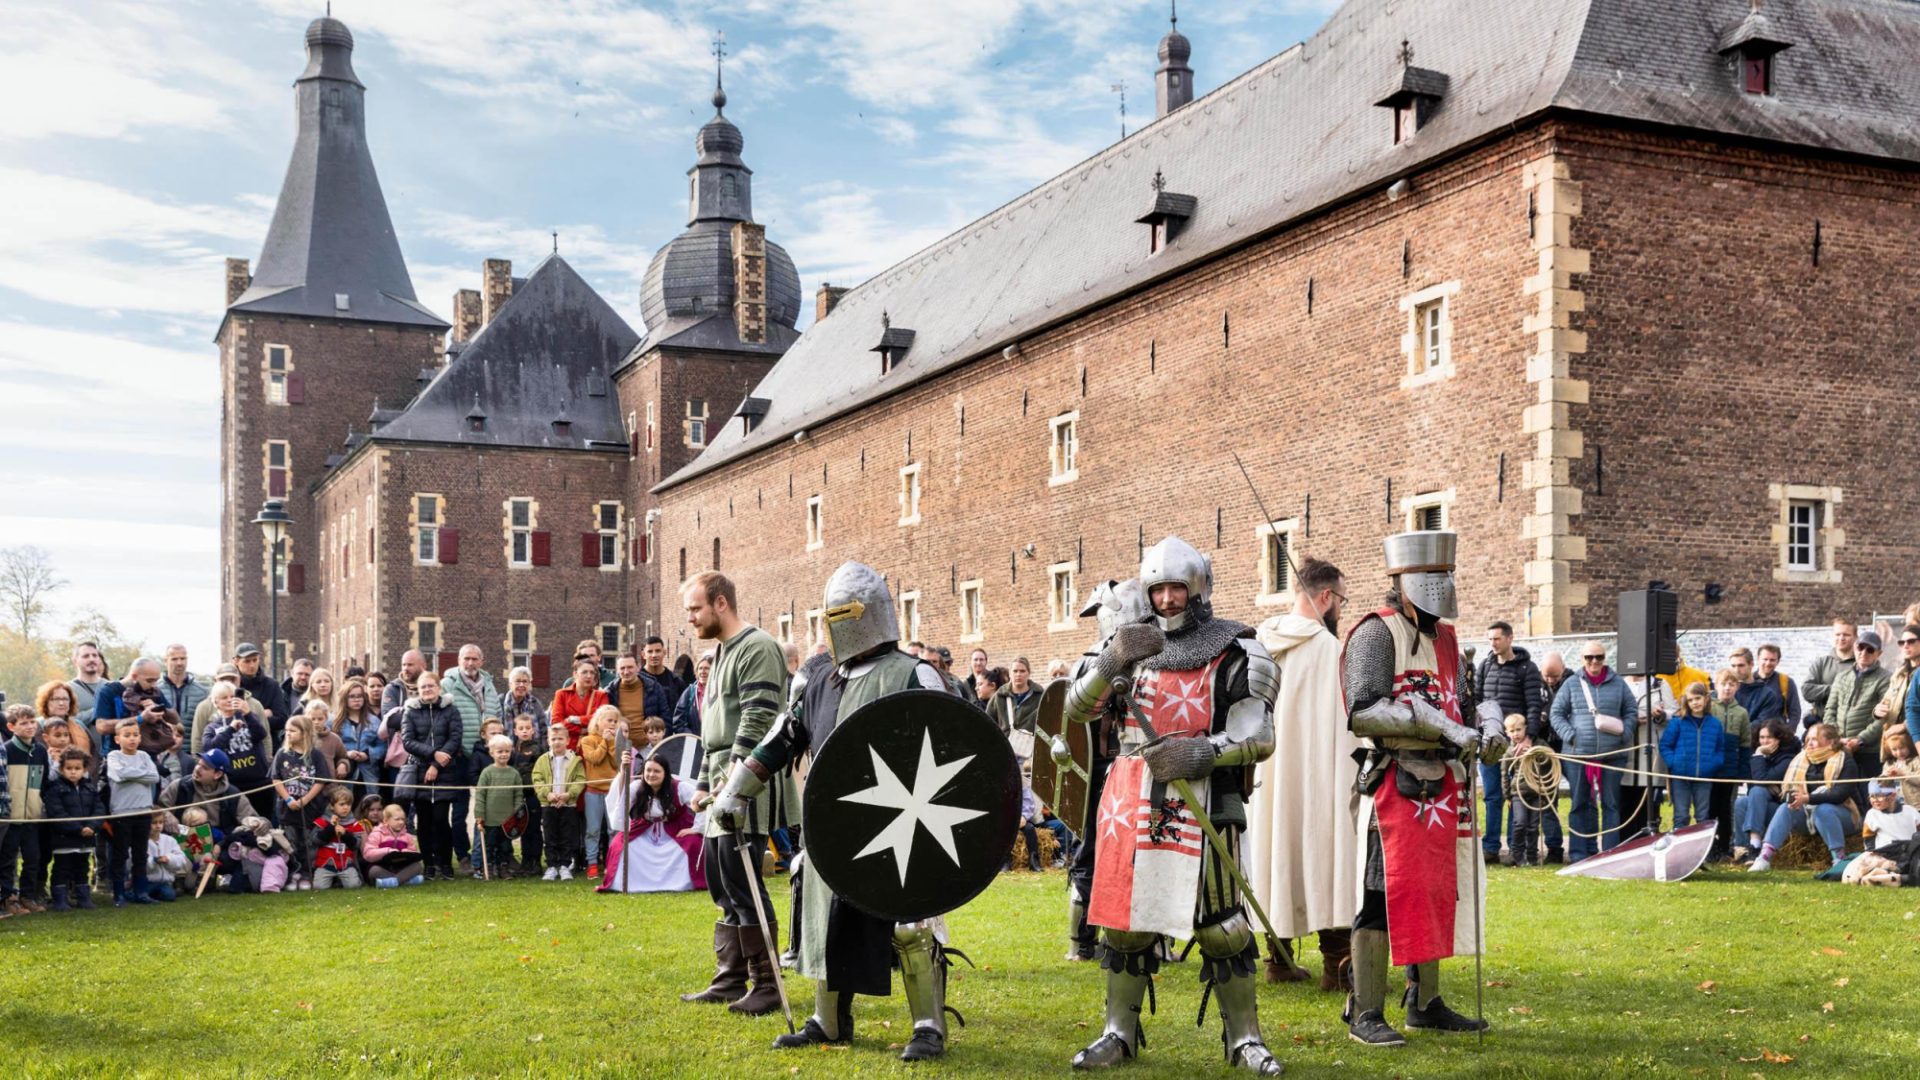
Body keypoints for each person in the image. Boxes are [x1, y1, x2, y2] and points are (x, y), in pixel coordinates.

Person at [708, 560, 961, 1059]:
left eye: (845, 612)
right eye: (831, 613)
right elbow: (782, 739)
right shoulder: (817, 679)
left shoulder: (915, 673)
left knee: (910, 923)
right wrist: (735, 791)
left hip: (901, 820)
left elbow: (953, 747)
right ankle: (827, 1020)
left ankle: (928, 1025)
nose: (837, 623)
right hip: (833, 823)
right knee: (822, 914)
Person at [1055, 537, 1285, 1071]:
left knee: (1222, 925)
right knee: (1124, 922)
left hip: (1203, 795)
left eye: (1175, 589)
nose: (1165, 601)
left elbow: (1259, 734)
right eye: (1156, 590)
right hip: (1132, 797)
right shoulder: (1128, 645)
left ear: (1196, 588)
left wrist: (1202, 750)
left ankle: (1244, 1038)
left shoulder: (1237, 649)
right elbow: (1074, 708)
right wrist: (1113, 656)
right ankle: (1118, 1031)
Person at [1341, 531, 1506, 1049]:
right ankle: (1365, 1012)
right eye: (1431, 578)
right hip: (1393, 780)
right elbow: (1362, 711)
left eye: (1445, 576)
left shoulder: (1449, 638)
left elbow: (1469, 701)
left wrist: (1493, 725)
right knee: (1381, 892)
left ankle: (1424, 1002)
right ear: (1404, 581)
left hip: (1446, 784)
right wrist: (1438, 726)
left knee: (1438, 888)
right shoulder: (1376, 633)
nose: (1441, 587)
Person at [679, 569, 791, 1017]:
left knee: (743, 881)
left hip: (750, 780)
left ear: (720, 603)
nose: (690, 618)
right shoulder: (722, 652)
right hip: (724, 775)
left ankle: (767, 983)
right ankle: (731, 978)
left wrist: (733, 780)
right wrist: (706, 781)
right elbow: (714, 732)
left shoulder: (758, 647)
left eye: (695, 608)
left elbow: (757, 718)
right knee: (722, 879)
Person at [1248, 557, 1358, 990]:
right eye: (1341, 601)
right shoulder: (1331, 650)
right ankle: (1337, 964)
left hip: (1267, 778)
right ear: (1326, 597)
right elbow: (1348, 727)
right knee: (1325, 855)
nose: (1342, 611)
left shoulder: (1258, 641)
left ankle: (1278, 959)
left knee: (1277, 851)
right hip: (1318, 777)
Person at [1550, 642, 1637, 859]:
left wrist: (1624, 734)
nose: (1594, 661)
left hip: (1612, 754)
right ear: (1582, 659)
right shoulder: (1571, 684)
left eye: (1598, 657)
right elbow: (1556, 714)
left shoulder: (1619, 684)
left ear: (1604, 657)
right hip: (1578, 755)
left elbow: (1631, 711)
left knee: (1611, 804)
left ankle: (1610, 853)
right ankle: (1579, 853)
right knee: (1579, 804)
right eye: (1589, 657)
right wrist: (1571, 736)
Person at [1474, 622, 1542, 865]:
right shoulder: (1485, 666)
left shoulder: (1527, 668)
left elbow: (1534, 704)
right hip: (1490, 741)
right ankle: (1490, 847)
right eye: (1490, 639)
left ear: (1509, 639)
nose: (1493, 643)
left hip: (1516, 744)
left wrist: (1528, 737)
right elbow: (1478, 701)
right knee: (1492, 796)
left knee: (1515, 796)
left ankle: (1516, 848)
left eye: (1497, 639)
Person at [1748, 723, 1858, 872]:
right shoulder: (1800, 760)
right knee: (1786, 808)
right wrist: (1791, 796)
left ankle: (1838, 859)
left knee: (1823, 810)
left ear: (1831, 742)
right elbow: (1791, 791)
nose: (1809, 743)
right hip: (1807, 815)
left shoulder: (1845, 760)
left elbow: (1840, 794)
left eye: (1815, 739)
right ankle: (1764, 857)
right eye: (1808, 739)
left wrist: (1807, 798)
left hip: (1843, 815)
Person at [602, 752, 705, 893]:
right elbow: (620, 801)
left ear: (665, 773)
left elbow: (702, 803)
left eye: (657, 771)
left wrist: (696, 828)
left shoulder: (679, 787)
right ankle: (623, 884)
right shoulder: (637, 787)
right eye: (648, 770)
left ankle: (686, 883)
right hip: (644, 827)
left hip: (675, 828)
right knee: (619, 843)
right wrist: (622, 772)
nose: (651, 774)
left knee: (694, 843)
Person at [397, 675, 463, 880]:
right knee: (424, 821)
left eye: (431, 686)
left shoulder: (451, 710)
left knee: (441, 819)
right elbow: (407, 740)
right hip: (419, 771)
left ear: (438, 687)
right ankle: (429, 864)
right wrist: (432, 754)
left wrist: (436, 763)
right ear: (418, 689)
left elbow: (455, 737)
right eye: (423, 686)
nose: (427, 689)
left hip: (444, 770)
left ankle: (445, 863)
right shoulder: (411, 710)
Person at [1828, 632, 1890, 816]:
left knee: (1873, 798)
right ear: (1855, 648)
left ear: (1879, 653)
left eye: (1870, 649)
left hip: (1869, 751)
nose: (1864, 652)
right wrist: (1836, 738)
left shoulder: (1886, 679)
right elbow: (1830, 710)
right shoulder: (1841, 677)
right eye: (1860, 647)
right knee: (1845, 797)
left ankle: (1873, 838)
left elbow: (1884, 719)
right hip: (1840, 749)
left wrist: (1859, 740)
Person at [103, 720, 160, 906]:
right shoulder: (113, 756)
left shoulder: (144, 756)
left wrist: (131, 773)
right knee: (120, 855)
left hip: (143, 811)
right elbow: (118, 775)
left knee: (140, 854)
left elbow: (154, 776)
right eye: (127, 735)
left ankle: (141, 892)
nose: (132, 739)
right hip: (121, 813)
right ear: (118, 738)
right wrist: (139, 774)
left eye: (135, 735)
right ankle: (119, 893)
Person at [271, 714, 330, 891]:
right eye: (287, 730)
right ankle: (292, 874)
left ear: (304, 733)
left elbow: (320, 781)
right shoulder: (282, 754)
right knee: (290, 843)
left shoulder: (316, 755)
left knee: (308, 843)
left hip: (310, 808)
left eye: (292, 730)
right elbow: (276, 778)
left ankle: (306, 874)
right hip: (287, 809)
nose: (288, 733)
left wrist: (304, 800)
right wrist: (289, 798)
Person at [1, 707, 48, 915]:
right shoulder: (7, 750)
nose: (30, 726)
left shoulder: (40, 751)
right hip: (11, 816)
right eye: (24, 723)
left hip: (32, 816)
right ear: (11, 727)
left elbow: (44, 782)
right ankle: (8, 897)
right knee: (7, 859)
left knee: (32, 858)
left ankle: (27, 895)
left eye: (32, 722)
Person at [1620, 673, 1677, 840]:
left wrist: (1661, 714)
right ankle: (1625, 844)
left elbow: (1673, 712)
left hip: (1651, 753)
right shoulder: (1619, 683)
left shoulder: (1659, 684)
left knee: (1649, 803)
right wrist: (1629, 720)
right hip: (1625, 751)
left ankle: (1648, 842)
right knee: (1625, 803)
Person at [1659, 683, 1724, 829]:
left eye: (1698, 698)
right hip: (1681, 778)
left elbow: (1720, 749)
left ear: (1706, 699)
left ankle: (1701, 849)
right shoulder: (1678, 722)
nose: (1695, 702)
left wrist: (1713, 764)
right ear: (1686, 702)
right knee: (1681, 816)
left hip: (1704, 777)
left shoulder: (1715, 724)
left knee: (1702, 817)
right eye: (1690, 700)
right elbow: (1665, 745)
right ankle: (1679, 849)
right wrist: (1674, 763)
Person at [1733, 720, 1800, 860]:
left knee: (1758, 791)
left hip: (1780, 809)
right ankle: (1741, 848)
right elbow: (1753, 782)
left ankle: (1755, 844)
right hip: (1759, 803)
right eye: (1761, 737)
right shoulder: (1757, 755)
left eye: (1769, 737)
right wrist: (1765, 783)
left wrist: (1758, 754)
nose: (1764, 741)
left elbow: (1760, 780)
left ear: (1778, 738)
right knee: (1741, 802)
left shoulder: (1787, 759)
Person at [42, 749, 100, 911]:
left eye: (77, 768)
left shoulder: (90, 789)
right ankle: (59, 900)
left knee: (82, 868)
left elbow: (99, 809)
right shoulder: (54, 789)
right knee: (62, 868)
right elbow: (57, 812)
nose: (73, 772)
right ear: (61, 769)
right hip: (64, 838)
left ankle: (83, 898)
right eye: (69, 768)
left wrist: (92, 827)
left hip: (86, 838)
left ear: (85, 769)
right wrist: (78, 829)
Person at [532, 723, 585, 881]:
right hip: (548, 805)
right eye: (553, 739)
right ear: (548, 741)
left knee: (567, 836)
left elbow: (580, 780)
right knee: (550, 836)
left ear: (568, 740)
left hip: (568, 805)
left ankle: (564, 865)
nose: (557, 742)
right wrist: (547, 794)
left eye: (560, 739)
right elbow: (537, 779)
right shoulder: (542, 760)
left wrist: (568, 795)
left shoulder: (575, 760)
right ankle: (551, 866)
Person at [579, 707, 623, 878]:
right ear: (598, 721)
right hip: (593, 792)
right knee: (593, 830)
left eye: (614, 721)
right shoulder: (587, 740)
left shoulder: (618, 741)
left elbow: (617, 763)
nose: (612, 724)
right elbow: (595, 758)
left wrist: (612, 742)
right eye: (608, 720)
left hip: (612, 791)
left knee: (613, 830)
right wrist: (605, 742)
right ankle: (592, 863)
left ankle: (612, 862)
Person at [473, 735, 522, 880]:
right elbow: (480, 795)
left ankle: (504, 868)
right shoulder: (487, 773)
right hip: (490, 819)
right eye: (500, 751)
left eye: (507, 751)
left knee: (505, 847)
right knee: (489, 845)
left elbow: (518, 795)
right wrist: (479, 815)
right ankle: (488, 868)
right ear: (492, 753)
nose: (504, 754)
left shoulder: (514, 774)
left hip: (507, 820)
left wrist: (517, 812)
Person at [1499, 716, 1543, 865]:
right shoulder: (1510, 752)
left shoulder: (1538, 745)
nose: (1516, 734)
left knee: (1533, 825)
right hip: (1518, 793)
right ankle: (1517, 855)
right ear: (1507, 733)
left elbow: (1549, 756)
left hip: (1537, 792)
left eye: (1518, 730)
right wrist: (1507, 796)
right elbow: (1504, 774)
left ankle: (1532, 856)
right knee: (1520, 823)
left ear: (1525, 729)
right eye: (1512, 731)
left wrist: (1535, 753)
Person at [1802, 618, 1857, 728]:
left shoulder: (1860, 665)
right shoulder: (1821, 663)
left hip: (1850, 727)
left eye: (1846, 635)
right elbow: (1807, 691)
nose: (1841, 638)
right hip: (1821, 725)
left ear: (1855, 637)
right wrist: (1835, 688)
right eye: (1838, 634)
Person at [510, 713, 546, 875]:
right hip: (518, 796)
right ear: (515, 731)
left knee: (534, 828)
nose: (525, 731)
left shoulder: (538, 748)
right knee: (523, 828)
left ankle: (536, 861)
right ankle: (525, 861)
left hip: (533, 795)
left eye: (528, 728)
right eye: (521, 728)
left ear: (533, 730)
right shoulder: (512, 750)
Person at [609, 654, 671, 746]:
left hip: (648, 746)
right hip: (620, 747)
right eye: (622, 668)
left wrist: (661, 744)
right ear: (617, 670)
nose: (626, 672)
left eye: (630, 667)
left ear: (638, 667)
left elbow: (665, 717)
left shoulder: (654, 688)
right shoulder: (610, 692)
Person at [233, 643, 292, 740]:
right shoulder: (231, 686)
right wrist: (261, 714)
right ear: (236, 661)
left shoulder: (271, 685)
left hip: (266, 742)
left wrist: (248, 716)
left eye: (255, 660)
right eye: (247, 661)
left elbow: (282, 720)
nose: (252, 665)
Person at [312, 786, 365, 889]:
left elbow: (357, 845)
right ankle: (335, 881)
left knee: (353, 886)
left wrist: (345, 834)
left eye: (348, 804)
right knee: (319, 887)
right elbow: (315, 840)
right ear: (332, 806)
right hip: (325, 865)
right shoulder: (322, 821)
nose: (346, 807)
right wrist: (330, 828)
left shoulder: (354, 824)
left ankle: (340, 881)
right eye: (342, 804)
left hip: (346, 866)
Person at [334, 679, 383, 791]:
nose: (356, 699)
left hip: (368, 773)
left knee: (369, 803)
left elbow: (382, 745)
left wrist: (368, 754)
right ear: (344, 698)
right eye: (352, 696)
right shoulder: (334, 721)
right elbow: (329, 748)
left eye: (360, 696)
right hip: (344, 772)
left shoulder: (374, 721)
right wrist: (346, 754)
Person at [550, 660, 609, 750]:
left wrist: (576, 720)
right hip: (568, 748)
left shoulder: (601, 696)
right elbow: (557, 723)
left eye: (592, 673)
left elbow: (602, 721)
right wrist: (583, 730)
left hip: (593, 749)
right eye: (584, 672)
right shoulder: (561, 694)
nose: (589, 676)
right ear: (575, 674)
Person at [364, 803, 425, 887]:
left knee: (418, 866)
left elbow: (413, 852)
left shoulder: (407, 836)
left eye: (403, 819)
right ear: (386, 820)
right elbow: (368, 854)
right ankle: (405, 881)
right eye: (397, 819)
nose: (401, 822)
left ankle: (390, 882)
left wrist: (405, 852)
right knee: (373, 870)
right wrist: (387, 851)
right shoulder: (377, 834)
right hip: (384, 867)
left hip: (402, 868)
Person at [1727, 648, 1785, 727]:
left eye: (1741, 665)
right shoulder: (1725, 691)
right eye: (1733, 666)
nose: (1736, 670)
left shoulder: (1767, 695)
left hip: (1754, 737)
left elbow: (1762, 723)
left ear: (1751, 664)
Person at [985, 658, 1043, 736]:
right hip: (1005, 745)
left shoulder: (1040, 695)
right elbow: (988, 723)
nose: (1018, 674)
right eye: (1015, 671)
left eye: (1022, 671)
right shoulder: (999, 696)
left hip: (1031, 744)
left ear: (1028, 673)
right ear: (1010, 674)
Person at [36, 681, 91, 762]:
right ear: (46, 702)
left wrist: (86, 773)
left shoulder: (79, 725)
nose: (61, 703)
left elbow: (94, 757)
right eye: (56, 699)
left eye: (65, 699)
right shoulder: (37, 726)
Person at [1754, 645, 1802, 727]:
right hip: (1753, 734)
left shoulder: (1786, 682)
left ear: (1778, 661)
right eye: (1765, 659)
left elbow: (1795, 712)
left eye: (1772, 660)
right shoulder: (1748, 682)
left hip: (1777, 734)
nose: (1768, 663)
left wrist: (1788, 733)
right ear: (1758, 659)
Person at [1862, 781, 1919, 849]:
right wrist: (1871, 851)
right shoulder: (1872, 814)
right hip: (1885, 853)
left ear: (1893, 796)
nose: (1875, 800)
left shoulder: (1910, 811)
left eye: (1879, 796)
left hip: (1910, 851)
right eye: (1872, 796)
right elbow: (1868, 837)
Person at [69, 641, 110, 724]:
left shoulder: (111, 687)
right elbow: (67, 721)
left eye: (95, 655)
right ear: (75, 661)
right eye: (86, 656)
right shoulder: (67, 690)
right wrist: (97, 710)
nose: (91, 659)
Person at [501, 667, 547, 738]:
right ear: (510, 684)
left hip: (531, 747)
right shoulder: (501, 702)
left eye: (525, 681)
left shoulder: (535, 704)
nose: (521, 685)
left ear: (529, 684)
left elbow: (543, 729)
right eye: (518, 681)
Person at [1880, 727, 1920, 810]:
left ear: (1909, 746)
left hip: (1916, 805)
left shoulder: (1916, 761)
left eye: (1902, 748)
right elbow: (1882, 784)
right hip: (1897, 805)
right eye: (1894, 749)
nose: (1899, 752)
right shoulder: (1889, 764)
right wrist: (1885, 777)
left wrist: (1903, 774)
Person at [672, 654, 712, 736]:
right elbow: (678, 722)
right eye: (700, 668)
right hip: (693, 742)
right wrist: (691, 737)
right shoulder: (690, 692)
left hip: (714, 742)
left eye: (707, 668)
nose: (703, 672)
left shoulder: (720, 691)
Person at [643, 636, 687, 708]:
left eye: (658, 651)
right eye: (650, 651)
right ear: (643, 655)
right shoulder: (637, 680)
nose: (654, 655)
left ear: (664, 652)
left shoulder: (677, 682)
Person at [381, 650, 427, 715]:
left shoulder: (433, 687)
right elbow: (390, 719)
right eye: (404, 665)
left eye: (410, 665)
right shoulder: (393, 688)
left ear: (423, 666)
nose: (406, 668)